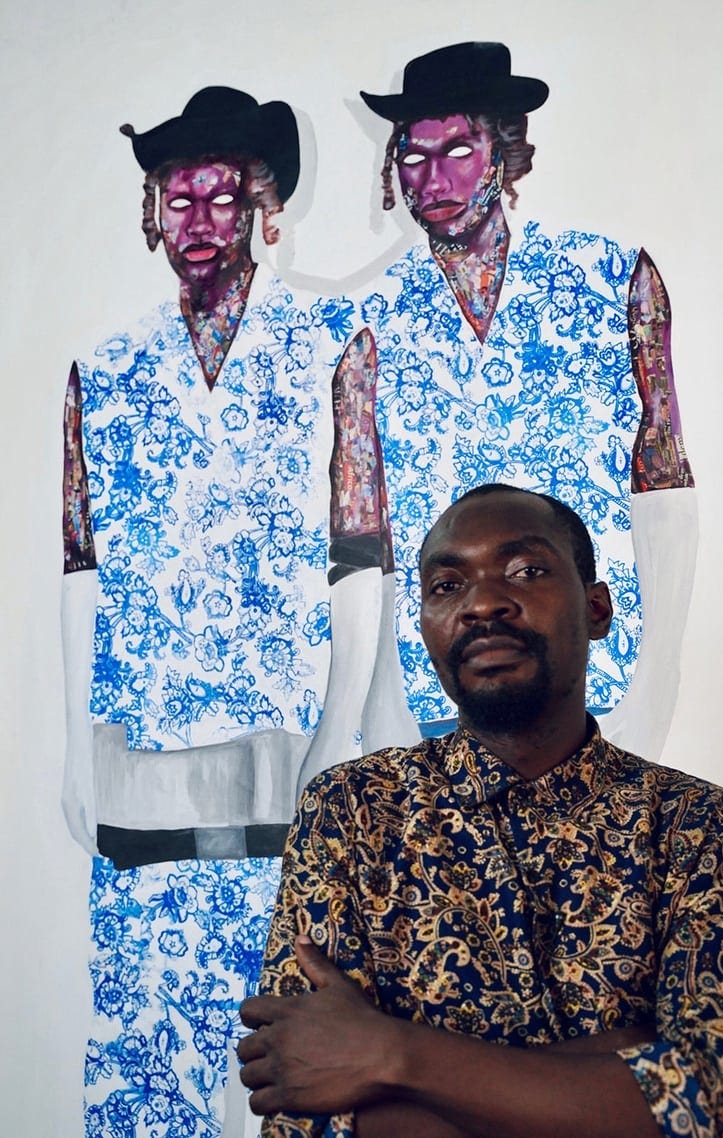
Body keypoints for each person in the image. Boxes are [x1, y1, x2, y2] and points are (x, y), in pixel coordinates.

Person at [61, 85, 414, 1138]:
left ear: (264, 204)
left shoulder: (329, 348)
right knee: (142, 1058)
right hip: (144, 760)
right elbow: (80, 567)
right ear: (152, 211)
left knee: (284, 1057)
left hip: (282, 753)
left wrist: (338, 738)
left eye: (224, 194)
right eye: (181, 196)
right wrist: (77, 749)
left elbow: (360, 551)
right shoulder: (105, 370)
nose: (202, 218)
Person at [239, 484, 723, 1138]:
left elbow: (722, 1107)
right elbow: (306, 1107)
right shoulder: (352, 810)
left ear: (598, 607)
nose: (483, 603)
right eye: (445, 586)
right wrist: (621, 1074)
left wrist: (390, 1054)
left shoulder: (699, 826)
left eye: (526, 571)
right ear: (425, 628)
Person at [297, 42, 699, 795]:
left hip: (596, 672)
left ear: (504, 153)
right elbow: (359, 532)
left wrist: (660, 672)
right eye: (413, 157)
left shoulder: (613, 279)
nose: (434, 178)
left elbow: (664, 479)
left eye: (458, 149)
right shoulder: (366, 322)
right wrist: (357, 712)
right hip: (428, 690)